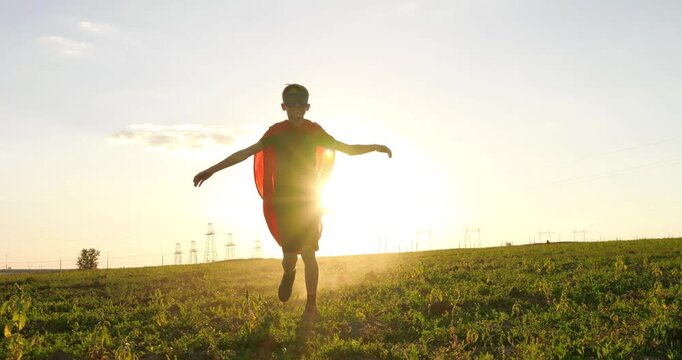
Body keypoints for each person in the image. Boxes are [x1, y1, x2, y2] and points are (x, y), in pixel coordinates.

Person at [193, 84, 392, 320]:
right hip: (285, 205)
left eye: (300, 106)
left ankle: (311, 307)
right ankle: (289, 274)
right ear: (283, 107)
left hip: (310, 201)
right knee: (289, 259)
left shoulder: (315, 131)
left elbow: (345, 148)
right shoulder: (276, 133)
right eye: (291, 106)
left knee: (309, 253)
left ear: (307, 107)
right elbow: (245, 153)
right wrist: (212, 170)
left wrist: (375, 147)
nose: (296, 110)